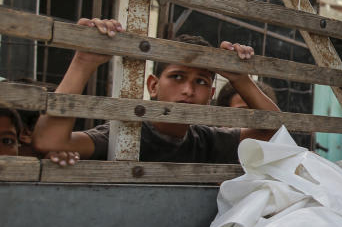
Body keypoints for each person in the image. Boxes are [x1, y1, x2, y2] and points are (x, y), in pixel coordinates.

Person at [33, 18, 280, 164]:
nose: (188, 90)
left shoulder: (205, 139)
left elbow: (275, 134)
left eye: (201, 82)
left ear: (211, 94)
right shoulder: (125, 133)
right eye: (177, 77)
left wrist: (241, 79)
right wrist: (83, 62)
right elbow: (50, 141)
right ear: (153, 85)